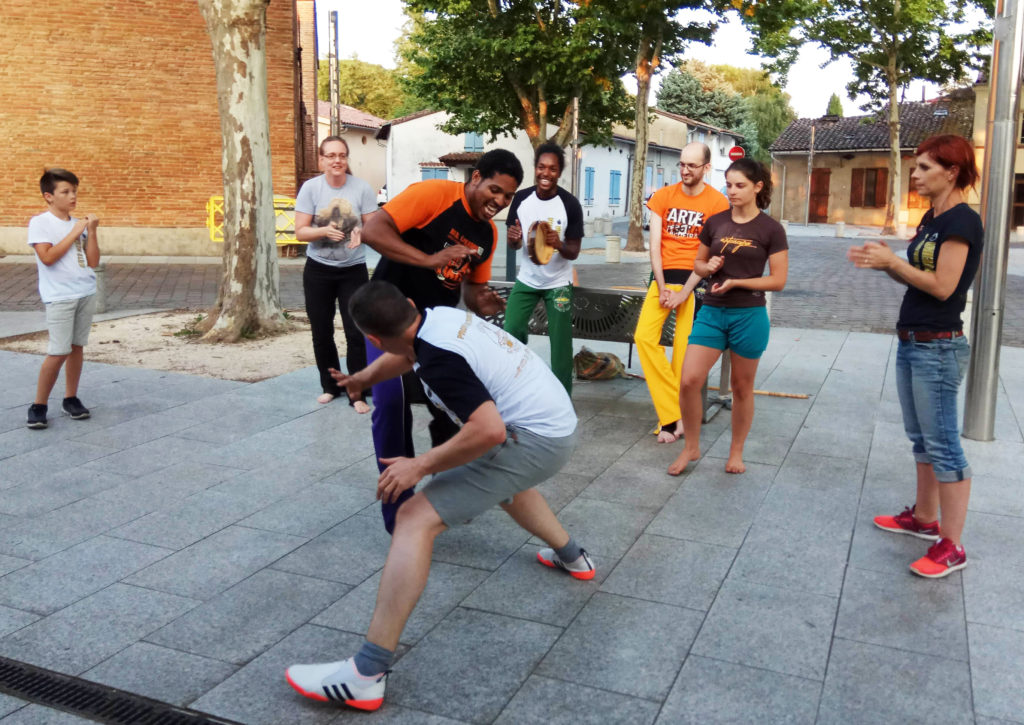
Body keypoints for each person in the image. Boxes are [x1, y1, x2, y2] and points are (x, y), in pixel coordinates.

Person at [285, 281, 594, 711]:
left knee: (414, 519)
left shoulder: (439, 361)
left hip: (533, 438)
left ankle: (365, 675)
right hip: (556, 424)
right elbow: (405, 354)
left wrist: (420, 464)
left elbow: (488, 431)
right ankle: (573, 557)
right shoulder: (437, 318)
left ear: (371, 338)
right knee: (507, 485)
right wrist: (360, 379)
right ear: (409, 305)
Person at [360, 149, 523, 533]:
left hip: (436, 331)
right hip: (389, 317)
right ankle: (398, 511)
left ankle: (444, 493)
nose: (498, 203)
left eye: (507, 198)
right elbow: (372, 231)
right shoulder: (433, 195)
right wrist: (428, 259)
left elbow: (472, 291)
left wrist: (486, 302)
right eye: (495, 190)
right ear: (476, 177)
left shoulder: (489, 233)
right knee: (392, 402)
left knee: (457, 410)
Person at [849, 134, 982, 579]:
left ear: (953, 172)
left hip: (939, 346)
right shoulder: (931, 218)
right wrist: (884, 264)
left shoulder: (962, 222)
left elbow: (944, 286)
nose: (916, 174)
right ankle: (925, 520)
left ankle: (953, 545)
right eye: (917, 166)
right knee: (922, 439)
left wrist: (894, 263)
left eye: (925, 167)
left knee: (944, 445)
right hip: (914, 339)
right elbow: (918, 278)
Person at [668, 158, 788, 475]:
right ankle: (691, 447)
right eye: (729, 185)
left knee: (741, 388)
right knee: (690, 379)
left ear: (758, 187)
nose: (732, 191)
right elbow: (698, 264)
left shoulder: (771, 229)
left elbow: (778, 280)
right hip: (712, 312)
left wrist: (737, 282)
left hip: (748, 314)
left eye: (740, 186)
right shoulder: (716, 222)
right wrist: (705, 269)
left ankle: (736, 452)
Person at [635, 143, 729, 443]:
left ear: (706, 167)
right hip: (663, 281)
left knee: (681, 354)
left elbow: (710, 254)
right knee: (643, 337)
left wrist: (684, 292)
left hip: (695, 283)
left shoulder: (717, 203)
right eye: (682, 164)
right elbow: (655, 248)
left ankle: (671, 423)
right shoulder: (662, 197)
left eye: (692, 165)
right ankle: (673, 415)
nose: (685, 170)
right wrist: (662, 287)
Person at [294, 136, 377, 412]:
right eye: (330, 155)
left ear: (347, 159)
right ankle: (330, 387)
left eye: (341, 155)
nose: (337, 160)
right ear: (322, 160)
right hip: (318, 270)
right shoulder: (311, 188)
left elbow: (375, 229)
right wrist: (322, 231)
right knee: (322, 331)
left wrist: (360, 233)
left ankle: (357, 391)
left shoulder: (362, 188)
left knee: (356, 332)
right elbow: (300, 231)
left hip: (352, 270)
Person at [503, 143, 583, 394]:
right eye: (541, 167)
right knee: (512, 330)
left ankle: (562, 399)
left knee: (560, 345)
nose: (545, 173)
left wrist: (557, 243)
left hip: (558, 283)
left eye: (552, 169)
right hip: (527, 280)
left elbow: (574, 251)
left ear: (559, 173)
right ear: (535, 168)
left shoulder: (569, 204)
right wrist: (513, 238)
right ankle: (517, 384)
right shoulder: (521, 198)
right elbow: (515, 244)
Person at [25, 168, 101, 430]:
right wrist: (75, 231)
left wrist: (91, 231)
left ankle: (71, 398)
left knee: (77, 347)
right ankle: (39, 405)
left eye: (74, 191)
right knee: (58, 351)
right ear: (49, 196)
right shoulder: (40, 222)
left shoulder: (77, 223)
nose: (72, 197)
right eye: (65, 192)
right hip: (59, 297)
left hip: (85, 292)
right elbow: (47, 258)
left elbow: (93, 261)